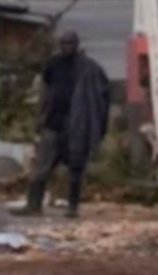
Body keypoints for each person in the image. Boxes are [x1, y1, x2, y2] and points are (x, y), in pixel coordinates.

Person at [20, 31, 110, 219]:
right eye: (64, 43)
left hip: (77, 125)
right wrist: (40, 118)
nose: (67, 46)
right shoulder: (54, 64)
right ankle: (33, 205)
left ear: (77, 44)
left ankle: (73, 207)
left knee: (76, 167)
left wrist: (95, 125)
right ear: (59, 45)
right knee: (41, 166)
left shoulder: (89, 68)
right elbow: (45, 91)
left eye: (70, 43)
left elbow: (101, 97)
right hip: (53, 123)